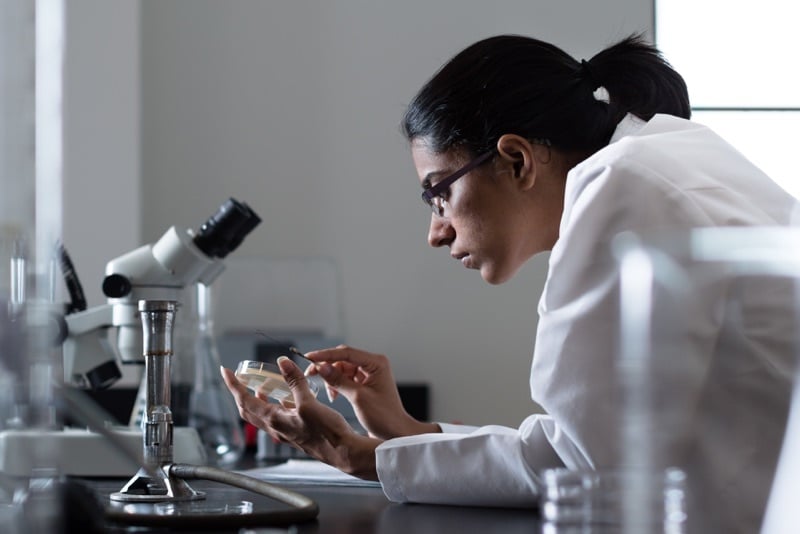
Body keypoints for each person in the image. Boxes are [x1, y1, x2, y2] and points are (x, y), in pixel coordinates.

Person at [221, 34, 798, 532]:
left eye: (439, 193)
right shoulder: (668, 154)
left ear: (517, 160)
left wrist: (354, 455)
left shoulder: (618, 184)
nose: (436, 232)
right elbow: (591, 443)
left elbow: (586, 470)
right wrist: (408, 434)